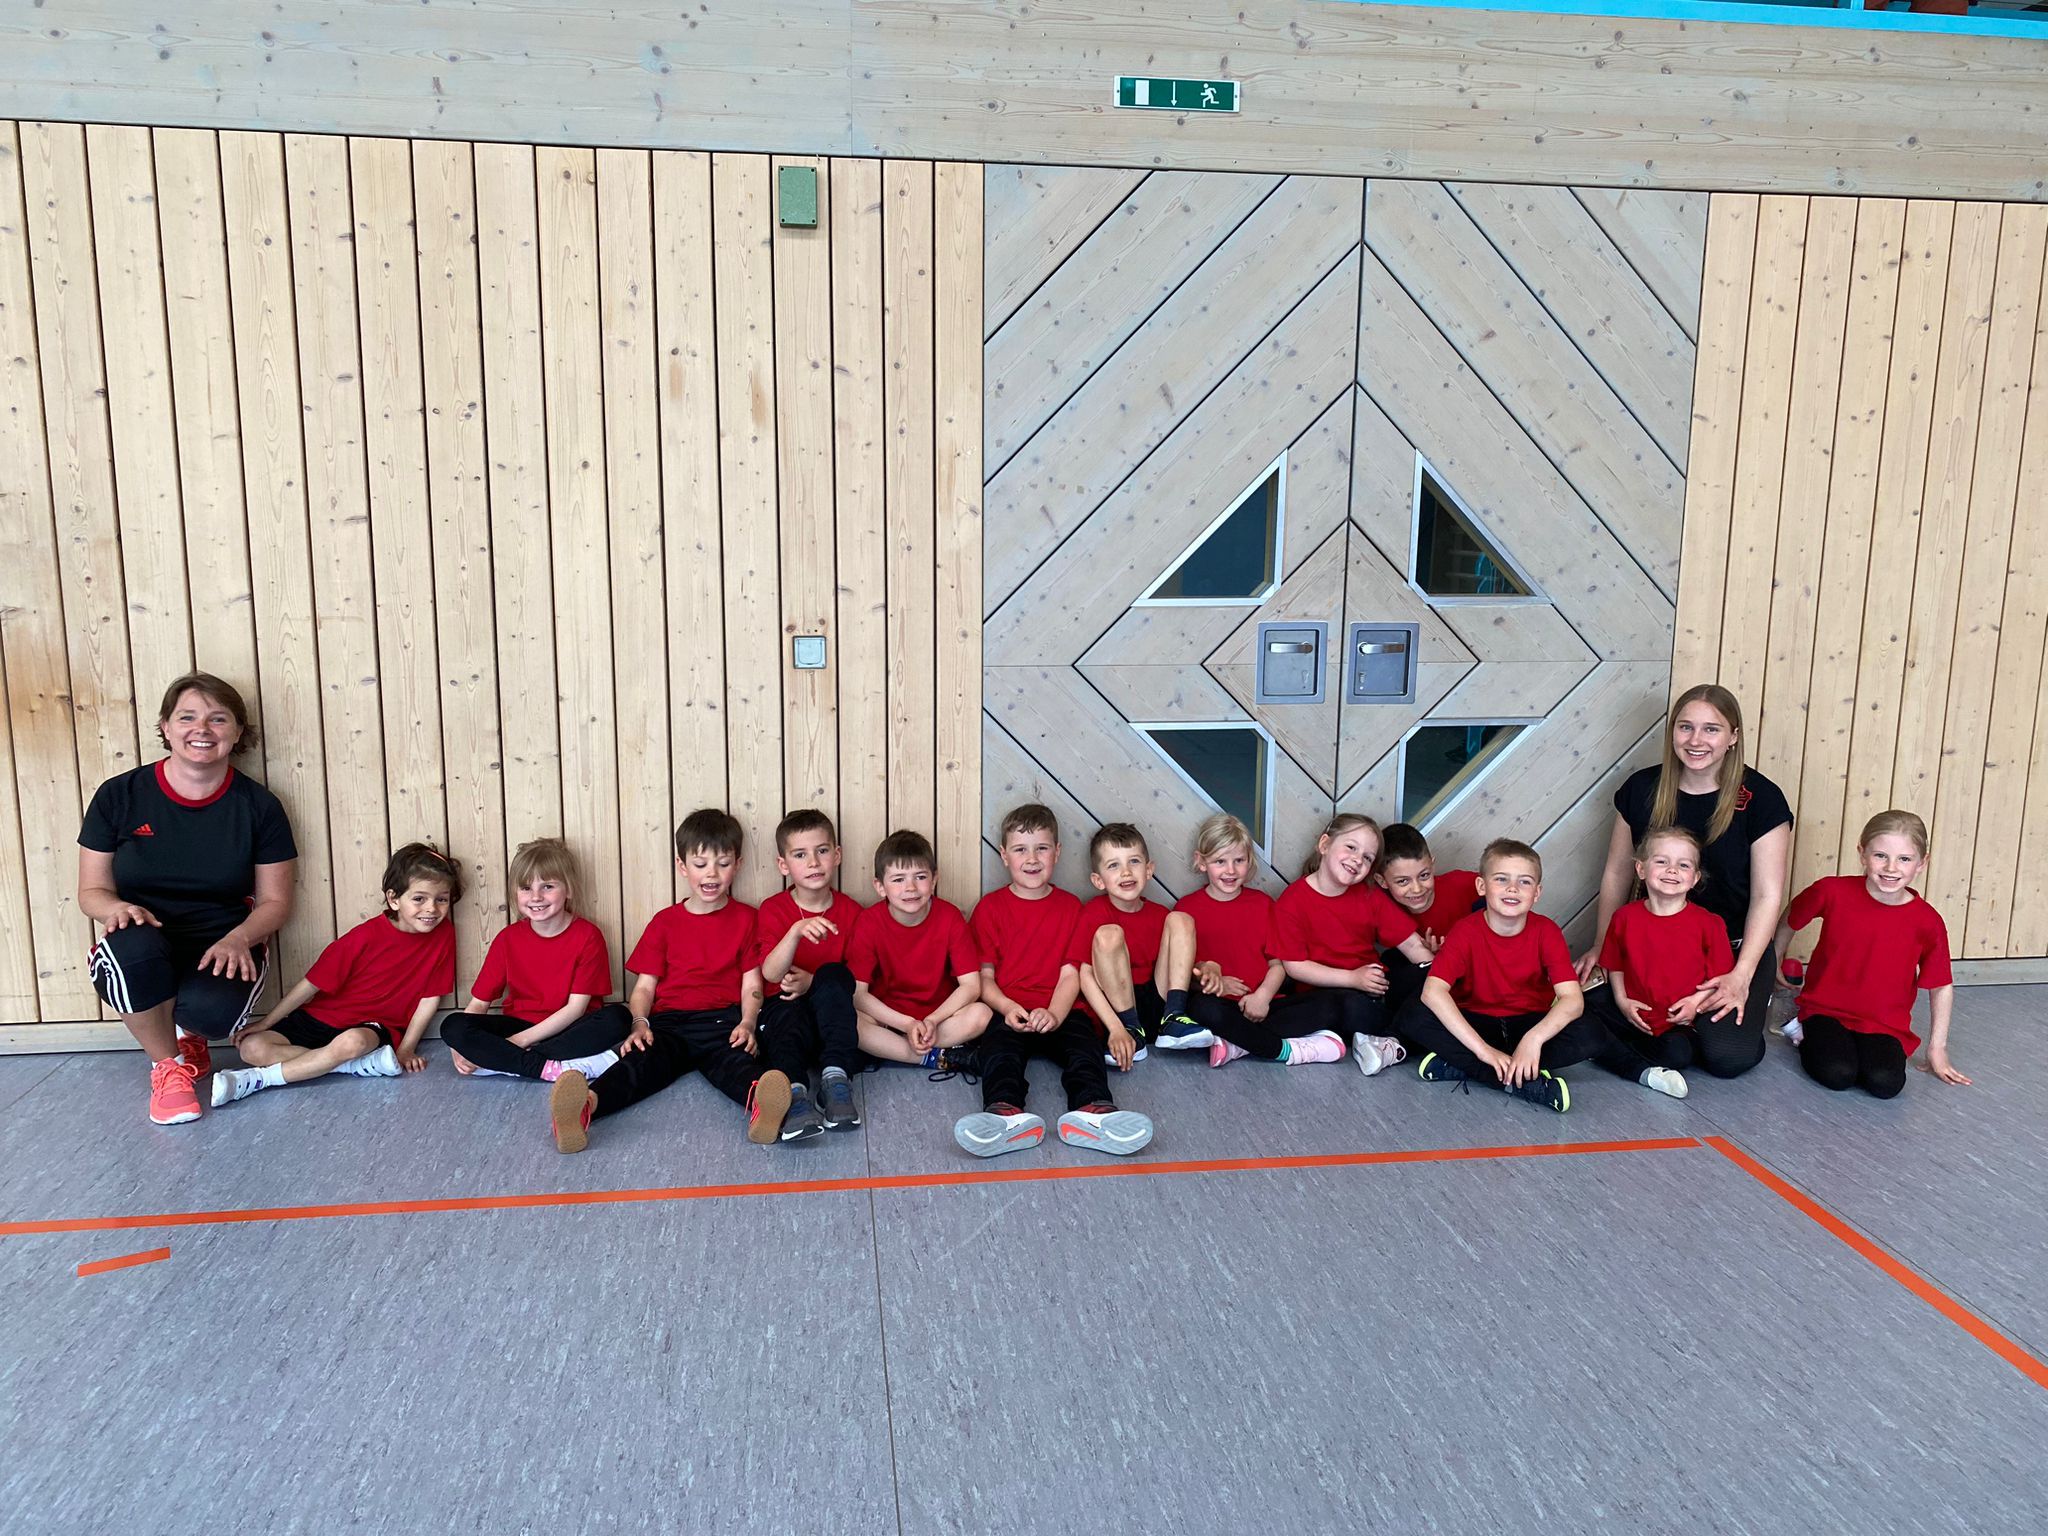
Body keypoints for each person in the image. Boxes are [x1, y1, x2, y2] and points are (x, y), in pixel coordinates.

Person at [77, 672, 298, 1125]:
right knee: (134, 952)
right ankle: (168, 1067)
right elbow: (91, 892)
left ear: (237, 732)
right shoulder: (119, 795)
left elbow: (275, 902)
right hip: (142, 938)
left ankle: (188, 1031)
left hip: (222, 942)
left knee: (212, 1014)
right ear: (165, 727)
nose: (202, 729)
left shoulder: (259, 806)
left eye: (218, 719)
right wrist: (115, 908)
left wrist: (241, 938)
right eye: (187, 717)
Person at [1579, 684, 1789, 1077]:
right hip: (1652, 943)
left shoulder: (1762, 798)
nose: (1695, 740)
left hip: (1732, 950)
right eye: (1685, 727)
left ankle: (1753, 1003)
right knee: (1591, 1009)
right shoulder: (1642, 789)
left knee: (1726, 1058)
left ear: (1733, 737)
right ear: (1672, 731)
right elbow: (1617, 872)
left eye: (1711, 729)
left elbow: (1767, 895)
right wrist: (1603, 943)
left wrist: (1741, 975)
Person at [545, 810, 768, 1153]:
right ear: (682, 866)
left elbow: (751, 984)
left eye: (723, 863)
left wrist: (749, 1023)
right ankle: (584, 1106)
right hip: (669, 1024)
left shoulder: (747, 918)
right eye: (701, 864)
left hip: (722, 1022)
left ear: (737, 865)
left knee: (738, 1064)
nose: (712, 873)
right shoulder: (665, 922)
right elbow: (645, 988)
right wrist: (639, 1023)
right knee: (639, 1064)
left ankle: (764, 1105)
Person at [953, 804, 1154, 1158]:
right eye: (1020, 849)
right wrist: (1008, 1008)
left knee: (1084, 1051)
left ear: (1057, 852)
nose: (1032, 859)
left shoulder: (1071, 908)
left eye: (1042, 848)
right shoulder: (990, 908)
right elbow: (985, 978)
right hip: (1011, 1009)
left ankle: (1094, 1112)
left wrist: (1055, 1014)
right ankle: (1004, 1116)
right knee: (999, 1053)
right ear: (1004, 855)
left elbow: (1071, 973)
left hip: (1064, 1010)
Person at [210, 843, 460, 1107]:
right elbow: (310, 984)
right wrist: (266, 1022)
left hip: (372, 1026)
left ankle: (258, 1079)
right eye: (419, 898)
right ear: (394, 899)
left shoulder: (443, 935)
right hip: (320, 1018)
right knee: (251, 1048)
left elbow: (430, 998)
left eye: (441, 899)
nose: (432, 908)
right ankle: (352, 1065)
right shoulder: (364, 936)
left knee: (352, 1042)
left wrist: (406, 1048)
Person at [1397, 839, 1601, 1113]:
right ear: (1482, 887)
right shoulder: (1465, 931)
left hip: (1528, 1023)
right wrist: (1483, 1050)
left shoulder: (1547, 931)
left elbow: (1572, 999)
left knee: (1592, 1032)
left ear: (1537, 893)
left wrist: (1534, 1039)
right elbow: (1433, 992)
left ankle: (1463, 1065)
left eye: (1524, 882)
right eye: (1502, 879)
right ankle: (1520, 1081)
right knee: (1413, 1014)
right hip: (1478, 1023)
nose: (1513, 888)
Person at [1776, 810, 1963, 1099]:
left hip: (1884, 1023)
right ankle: (1800, 1027)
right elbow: (1793, 916)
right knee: (1838, 1074)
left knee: (1885, 1083)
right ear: (1862, 853)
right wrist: (1776, 956)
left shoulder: (1928, 921)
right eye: (1880, 856)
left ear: (1922, 863)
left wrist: (1937, 1048)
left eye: (1904, 859)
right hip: (1825, 1010)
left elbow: (1941, 986)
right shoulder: (1832, 891)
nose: (1891, 868)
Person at [1265, 813, 1435, 1076]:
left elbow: (1412, 947)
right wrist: (1353, 979)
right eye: (1351, 847)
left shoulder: (1369, 895)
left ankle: (1389, 1039)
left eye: (1367, 857)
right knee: (1346, 1005)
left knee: (1431, 972)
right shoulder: (1293, 901)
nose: (1357, 859)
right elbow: (1295, 966)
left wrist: (1434, 976)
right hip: (1332, 993)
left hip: (1376, 990)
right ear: (1324, 845)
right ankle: (1397, 1038)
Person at [442, 837, 622, 1083]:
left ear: (569, 890)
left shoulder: (588, 935)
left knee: (617, 1018)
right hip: (520, 1024)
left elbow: (576, 1009)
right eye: (526, 888)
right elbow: (479, 1004)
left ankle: (504, 1061)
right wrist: (459, 1046)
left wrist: (513, 1044)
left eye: (548, 886)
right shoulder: (507, 939)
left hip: (570, 1028)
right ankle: (554, 1067)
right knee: (452, 1025)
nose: (536, 897)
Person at [1584, 826, 1730, 1100]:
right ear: (1641, 869)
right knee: (1582, 1008)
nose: (1672, 870)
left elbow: (1719, 979)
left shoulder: (1709, 924)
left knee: (1678, 1054)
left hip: (1676, 1021)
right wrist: (1622, 1001)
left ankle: (1612, 1054)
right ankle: (1628, 1058)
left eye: (1683, 865)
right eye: (1662, 861)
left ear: (1695, 878)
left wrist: (1694, 1004)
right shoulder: (1624, 917)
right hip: (1631, 1011)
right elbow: (1615, 965)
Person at [749, 808, 865, 1141]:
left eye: (822, 851)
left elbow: (856, 983)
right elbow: (771, 973)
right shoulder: (773, 909)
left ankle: (835, 1081)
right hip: (786, 1020)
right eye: (800, 854)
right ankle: (795, 1093)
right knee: (786, 1011)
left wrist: (813, 981)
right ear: (784, 865)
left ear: (836, 855)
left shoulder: (852, 912)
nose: (813, 862)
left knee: (833, 974)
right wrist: (796, 931)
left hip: (832, 1024)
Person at [845, 829, 990, 1066]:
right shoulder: (869, 922)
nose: (910, 887)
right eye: (898, 879)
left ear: (934, 880)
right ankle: (933, 1057)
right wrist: (907, 1024)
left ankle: (900, 1049)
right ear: (880, 886)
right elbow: (858, 994)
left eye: (920, 877)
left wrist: (932, 1020)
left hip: (939, 1019)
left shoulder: (950, 917)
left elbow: (971, 986)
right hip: (888, 1019)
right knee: (847, 1020)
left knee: (981, 1014)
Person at [1069, 822, 1199, 1068]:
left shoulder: (1160, 914)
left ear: (1149, 870)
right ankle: (1131, 1031)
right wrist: (1115, 1028)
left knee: (1180, 919)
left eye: (1134, 862)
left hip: (1159, 1001)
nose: (1126, 872)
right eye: (1114, 865)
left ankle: (1174, 1018)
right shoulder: (1094, 912)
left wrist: (1208, 970)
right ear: (1098, 880)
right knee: (1109, 934)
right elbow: (1084, 976)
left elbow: (1183, 967)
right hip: (1118, 1009)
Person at [1372, 822, 1480, 1015]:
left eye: (1424, 875)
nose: (1417, 889)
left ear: (1432, 864)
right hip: (1425, 977)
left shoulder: (1461, 885)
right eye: (1403, 881)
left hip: (1470, 970)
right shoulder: (1384, 907)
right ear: (1382, 881)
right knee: (1392, 961)